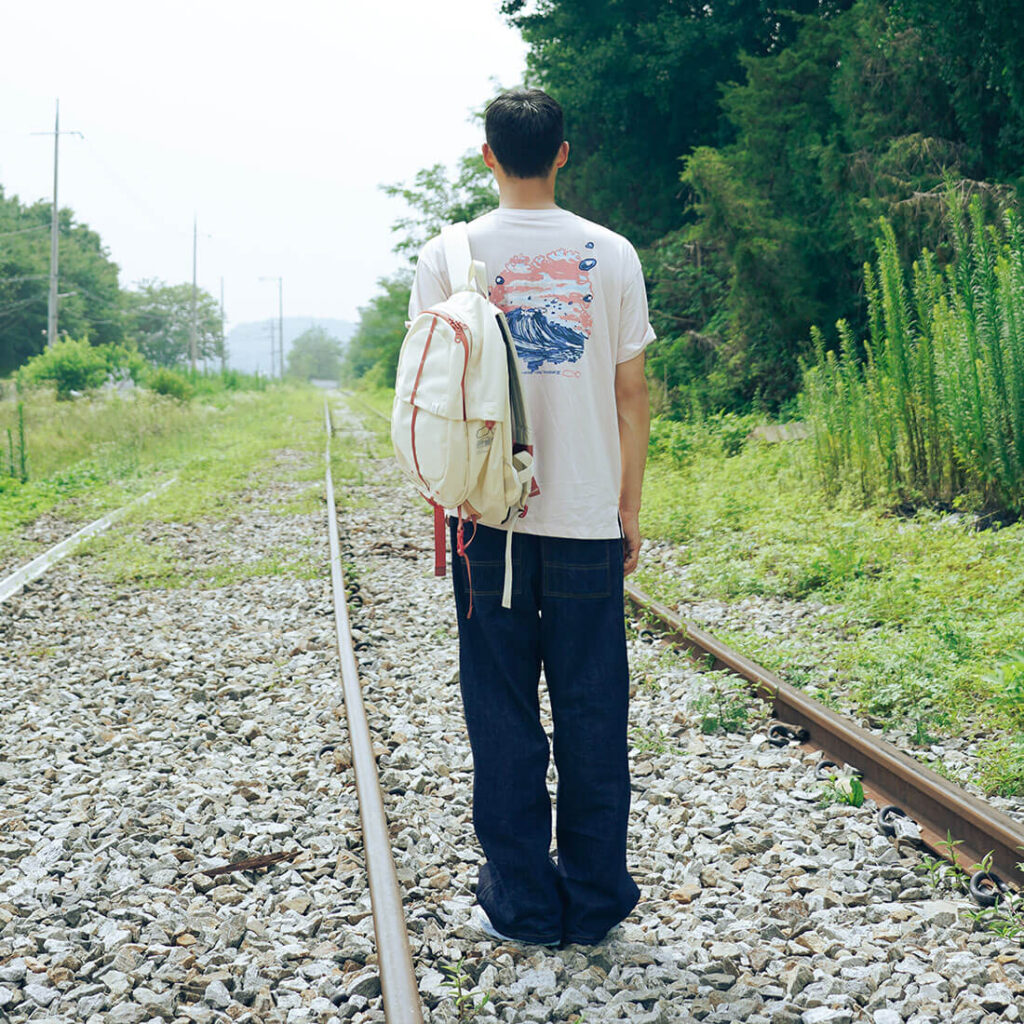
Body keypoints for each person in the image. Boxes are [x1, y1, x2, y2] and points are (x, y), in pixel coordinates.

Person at [408, 88, 653, 947]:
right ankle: (593, 901)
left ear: (487, 155)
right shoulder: (612, 253)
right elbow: (631, 394)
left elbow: (433, 395)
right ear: (562, 152)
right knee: (594, 710)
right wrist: (627, 507)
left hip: (487, 521)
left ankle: (521, 905)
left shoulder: (446, 254)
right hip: (586, 515)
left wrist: (445, 498)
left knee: (502, 711)